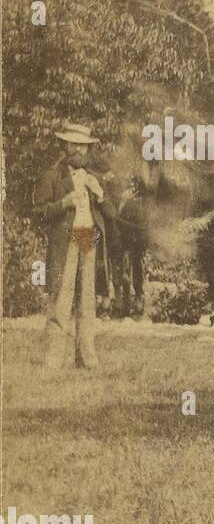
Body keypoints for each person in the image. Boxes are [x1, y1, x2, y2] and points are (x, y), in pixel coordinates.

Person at [34, 120, 106, 371]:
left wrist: (100, 194)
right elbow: (39, 212)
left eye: (85, 147)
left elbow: (109, 213)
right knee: (62, 298)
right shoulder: (51, 176)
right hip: (65, 239)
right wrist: (64, 202)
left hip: (87, 236)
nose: (80, 152)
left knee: (87, 298)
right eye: (75, 146)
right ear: (65, 146)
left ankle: (87, 358)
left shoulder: (91, 177)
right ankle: (54, 361)